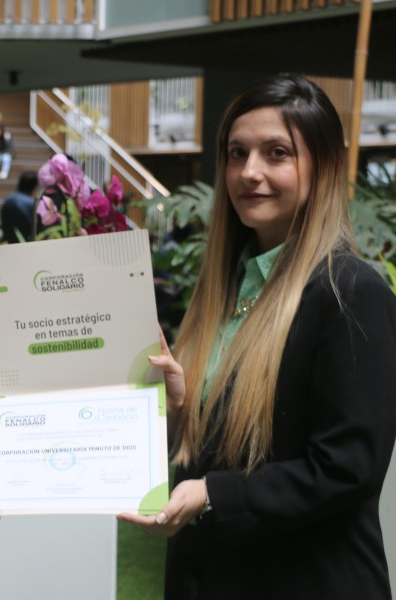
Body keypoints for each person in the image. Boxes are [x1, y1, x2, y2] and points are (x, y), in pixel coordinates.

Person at [119, 75, 396, 599]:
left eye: (277, 153)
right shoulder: (225, 288)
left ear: (323, 166)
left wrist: (212, 495)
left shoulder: (350, 293)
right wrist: (182, 412)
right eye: (237, 153)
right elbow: (230, 446)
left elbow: (347, 468)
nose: (250, 172)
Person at [1, 170, 38, 243]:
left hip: (8, 243)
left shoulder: (8, 200)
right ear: (34, 186)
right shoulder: (30, 203)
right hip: (25, 243)